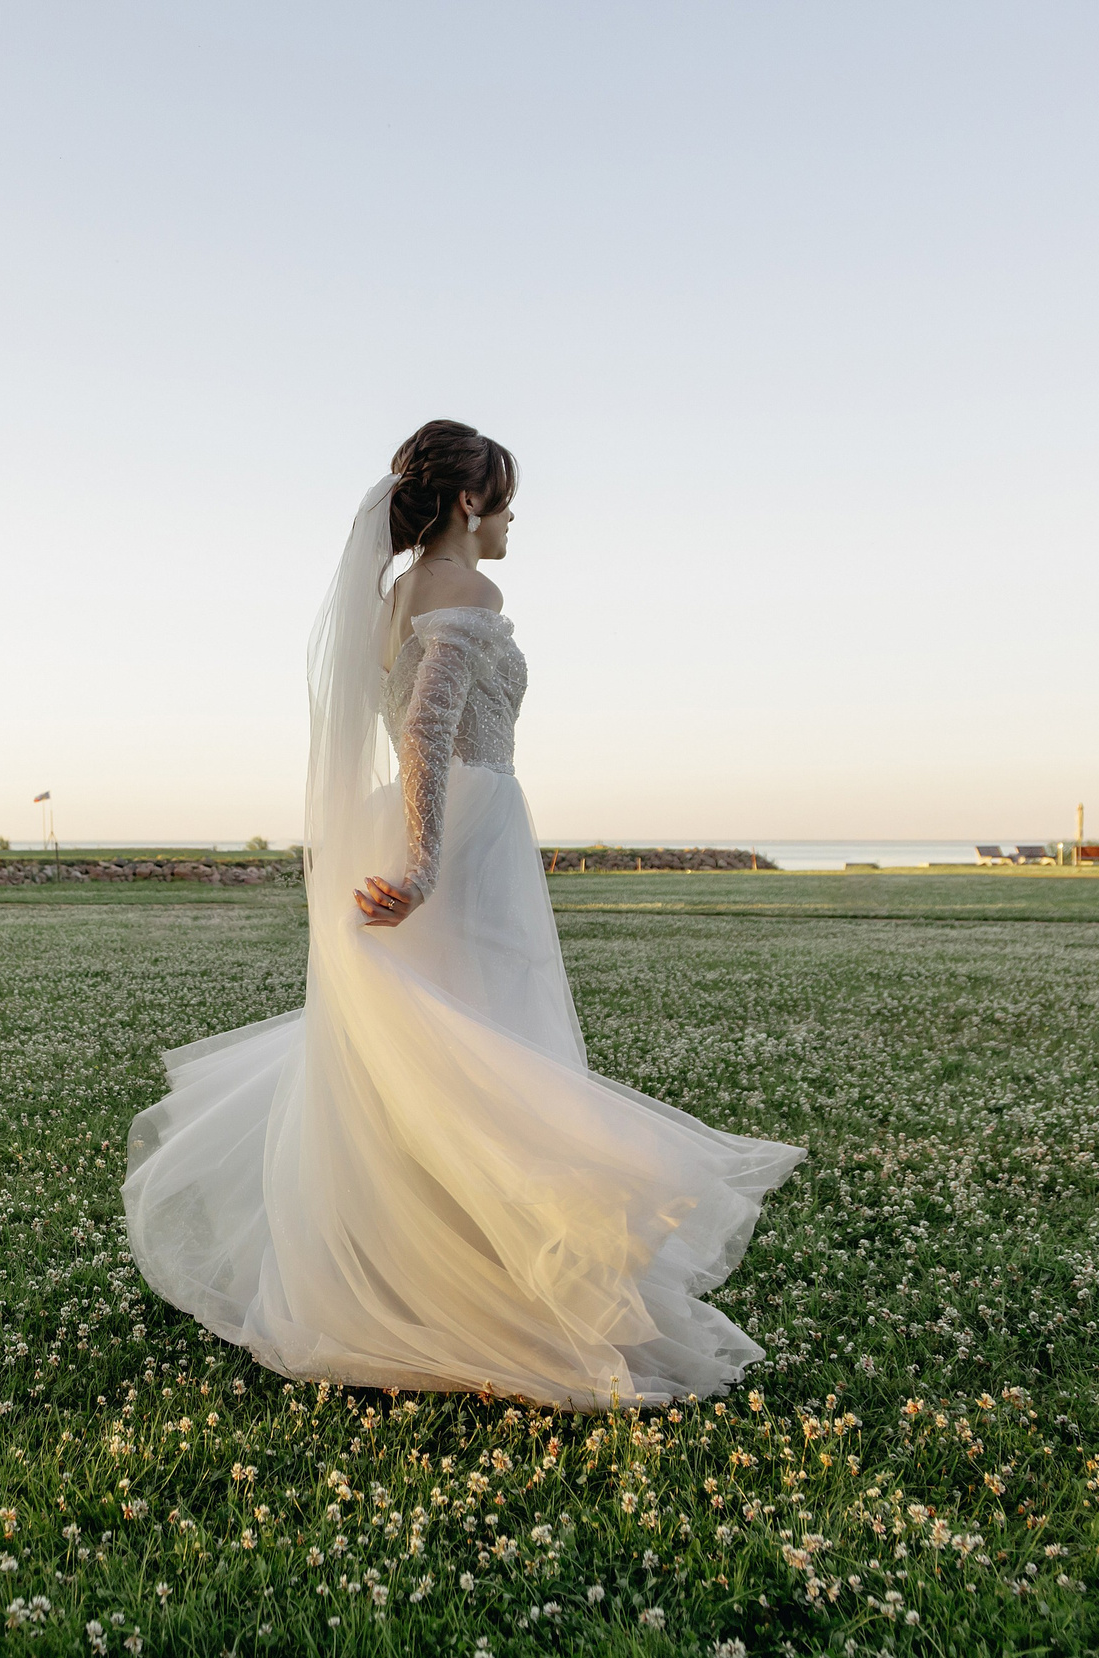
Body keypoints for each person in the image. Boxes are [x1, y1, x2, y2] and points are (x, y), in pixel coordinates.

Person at [121, 421, 802, 1409]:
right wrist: (428, 856)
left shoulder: (391, 595)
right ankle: (496, 1286)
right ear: (471, 503)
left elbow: (399, 721)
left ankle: (423, 1268)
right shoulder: (467, 591)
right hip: (463, 828)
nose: (514, 520)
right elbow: (428, 721)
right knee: (485, 1040)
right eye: (509, 502)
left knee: (431, 1053)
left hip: (420, 817)